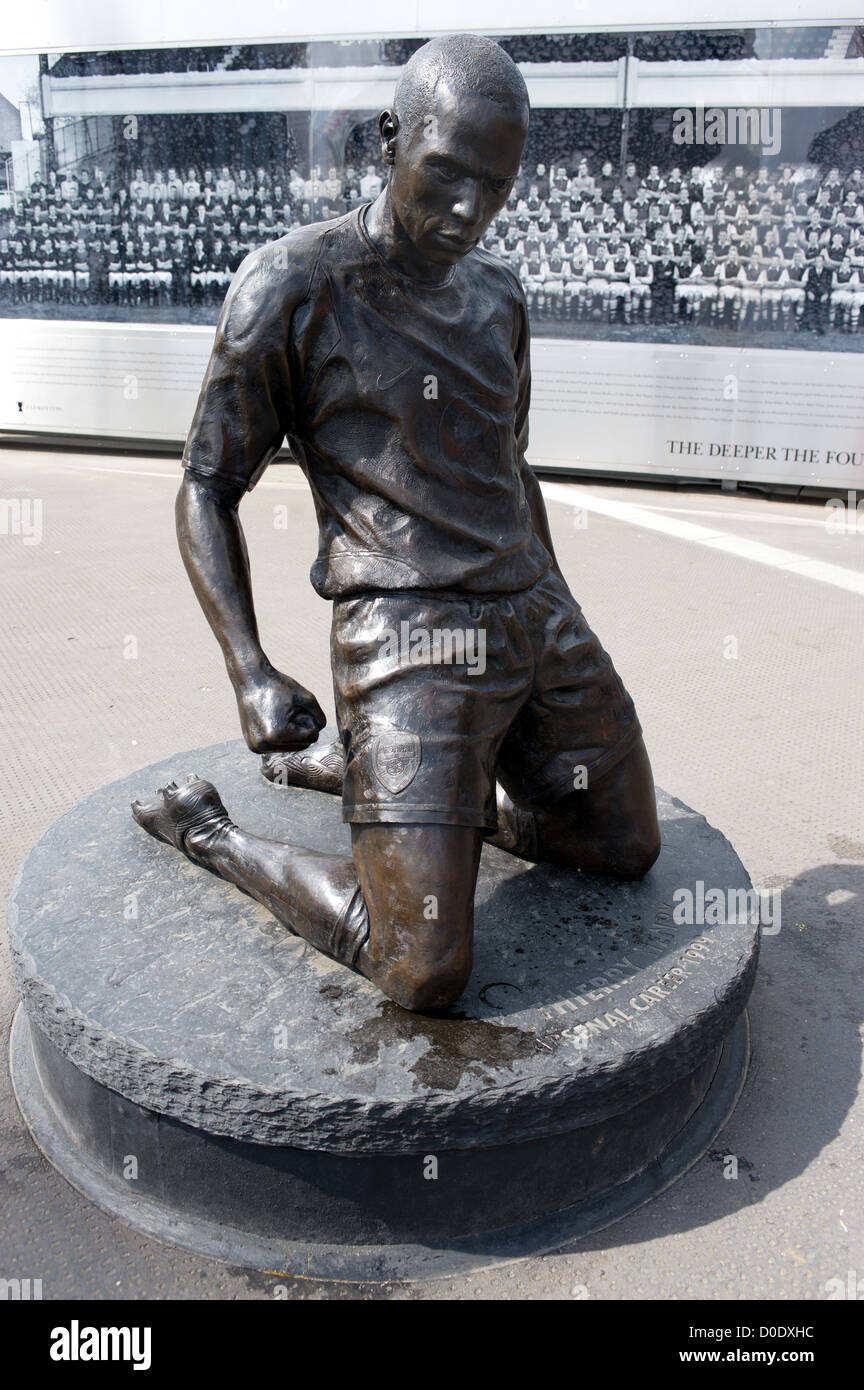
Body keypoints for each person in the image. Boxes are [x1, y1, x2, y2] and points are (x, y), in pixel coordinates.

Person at [133, 35, 659, 1013]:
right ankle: (213, 833)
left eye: (494, 186)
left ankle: (413, 794)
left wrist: (564, 620)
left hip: (533, 610)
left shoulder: (499, 297)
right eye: (447, 173)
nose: (469, 210)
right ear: (391, 139)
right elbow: (206, 483)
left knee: (622, 844)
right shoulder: (292, 286)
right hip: (407, 632)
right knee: (421, 967)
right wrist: (249, 670)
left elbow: (512, 467)